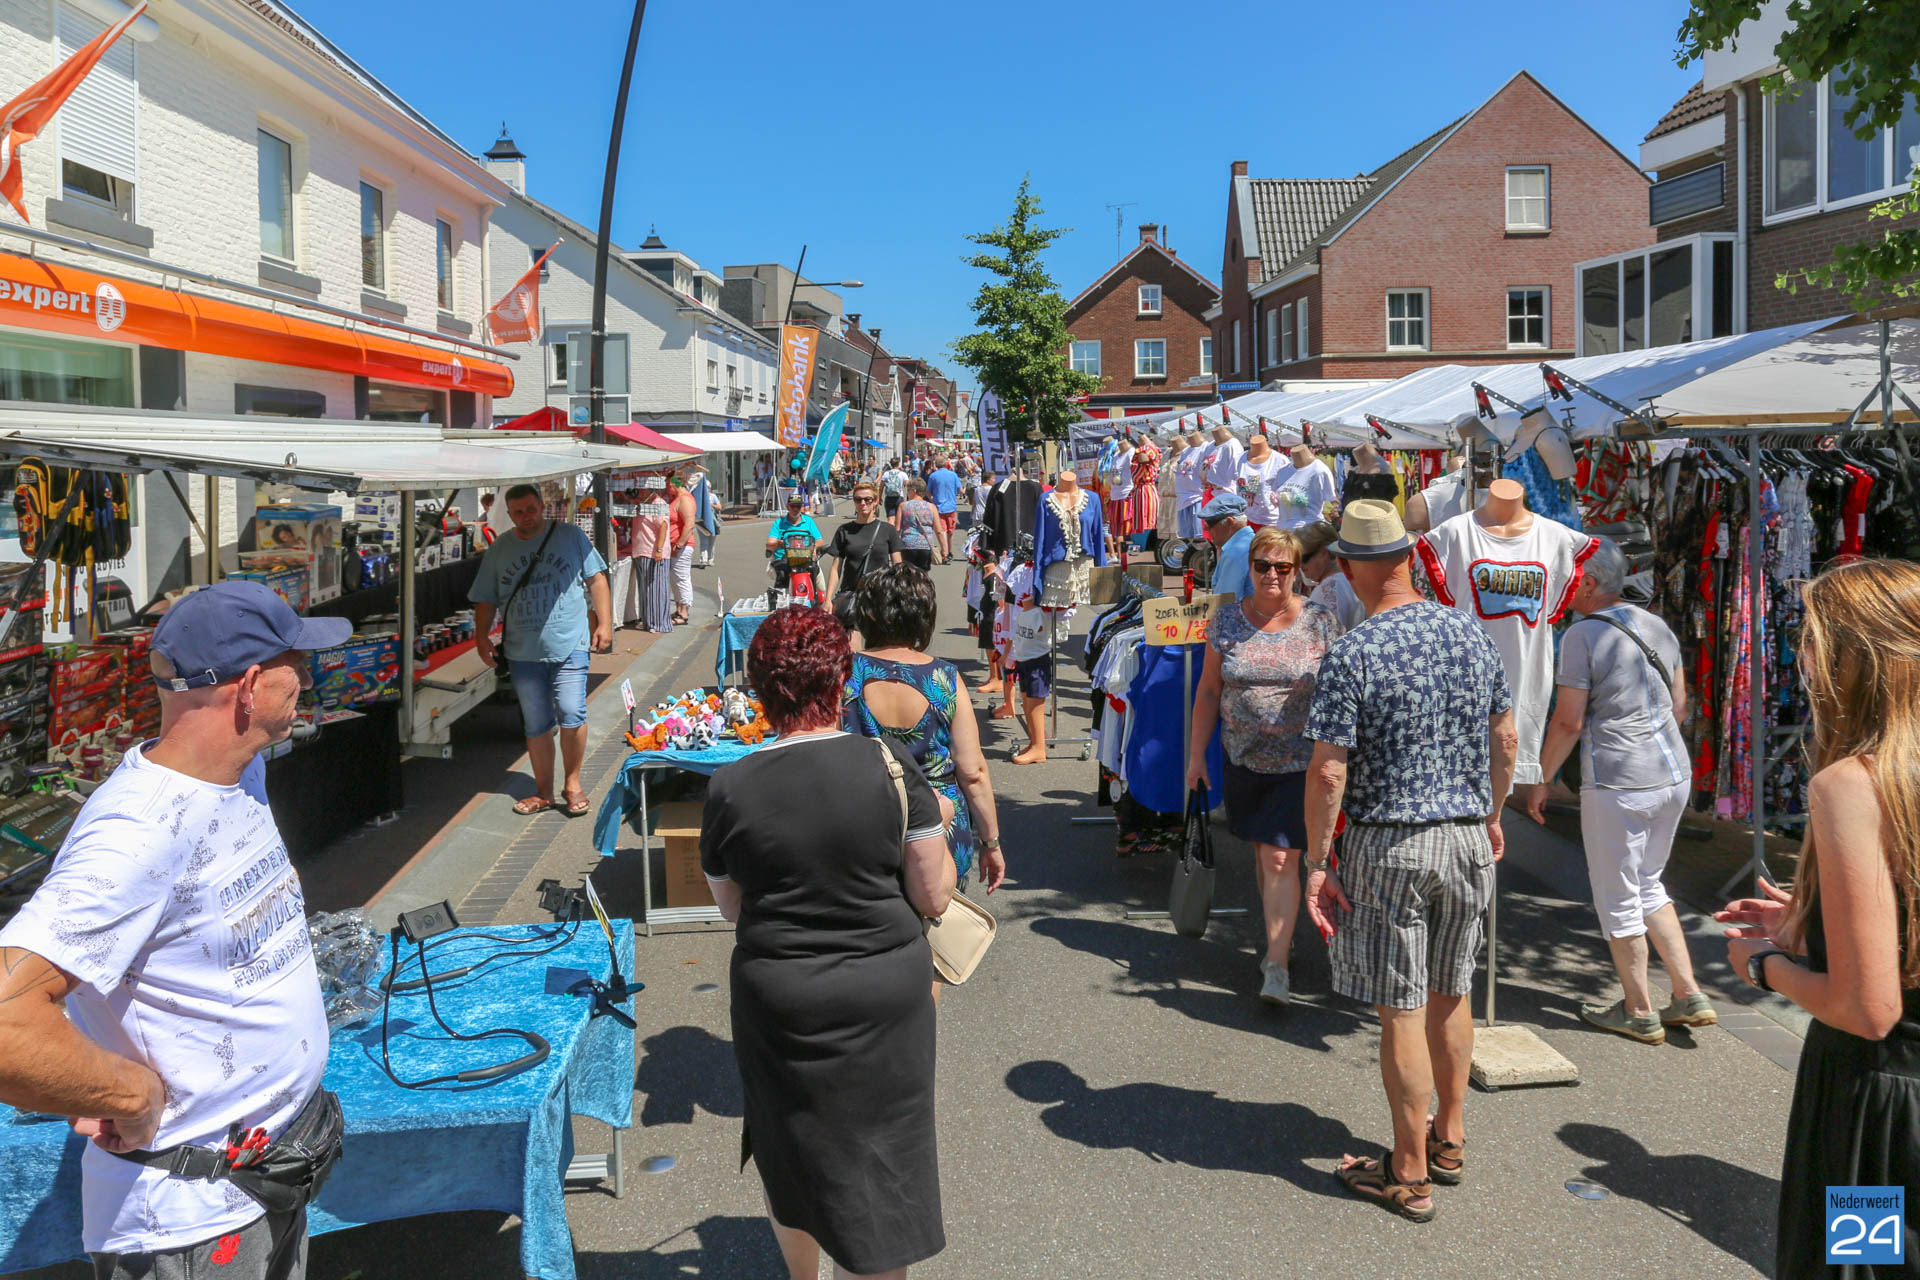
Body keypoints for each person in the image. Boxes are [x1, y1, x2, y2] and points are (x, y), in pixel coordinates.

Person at [0, 581, 349, 1280]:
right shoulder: (137, 832)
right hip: (193, 1219)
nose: (308, 676)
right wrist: (127, 1093)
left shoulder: (234, 771)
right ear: (248, 687)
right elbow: (7, 1022)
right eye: (295, 661)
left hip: (265, 1171)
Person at [701, 606, 952, 1279]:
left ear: (762, 689)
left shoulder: (730, 786)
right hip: (884, 996)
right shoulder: (889, 765)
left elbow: (731, 906)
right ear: (839, 681)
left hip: (780, 997)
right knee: (883, 1157)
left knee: (791, 1148)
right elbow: (933, 894)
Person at [1301, 499, 1518, 1224]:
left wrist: (1317, 860)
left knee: (1399, 1007)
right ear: (1408, 558)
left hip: (1390, 841)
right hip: (1463, 836)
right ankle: (1448, 1139)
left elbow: (1329, 773)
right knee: (1451, 992)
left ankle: (1410, 1171)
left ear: (1351, 567)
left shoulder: (1354, 651)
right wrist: (1489, 812)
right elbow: (1507, 737)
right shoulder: (1468, 633)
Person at [1713, 559, 1920, 1276]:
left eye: (1812, 641)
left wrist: (1765, 967)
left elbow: (1867, 1009)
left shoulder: (1853, 785)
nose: (1802, 659)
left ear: (1849, 660)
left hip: (1876, 1117)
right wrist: (1815, 923)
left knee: (1854, 1271)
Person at [1527, 537, 1712, 1043]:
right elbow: (1678, 708)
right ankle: (1687, 991)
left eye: (1568, 579)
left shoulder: (1582, 635)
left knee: (1618, 896)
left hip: (1619, 777)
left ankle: (1637, 1008)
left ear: (1586, 583)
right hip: (1672, 771)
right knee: (1650, 883)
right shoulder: (1656, 624)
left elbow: (1567, 722)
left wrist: (1541, 779)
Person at [1187, 527, 1343, 1006]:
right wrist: (1197, 756)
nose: (1272, 575)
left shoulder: (1321, 621)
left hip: (1303, 763)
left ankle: (1275, 965)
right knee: (1265, 854)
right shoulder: (1228, 620)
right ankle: (1280, 934)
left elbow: (1340, 693)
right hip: (1244, 760)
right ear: (1250, 567)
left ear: (1298, 571)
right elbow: (1210, 690)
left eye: (1283, 567)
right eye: (1263, 566)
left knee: (1281, 857)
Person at [847, 563, 1007, 910]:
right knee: (939, 919)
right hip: (938, 821)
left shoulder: (847, 675)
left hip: (864, 821)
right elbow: (973, 771)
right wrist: (990, 842)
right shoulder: (945, 679)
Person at [472, 483, 614, 817]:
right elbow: (486, 598)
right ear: (508, 514)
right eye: (518, 512)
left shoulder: (570, 536)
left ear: (541, 506)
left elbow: (597, 580)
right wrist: (481, 637)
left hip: (570, 643)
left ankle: (573, 784)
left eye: (530, 509)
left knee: (571, 712)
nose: (525, 517)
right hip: (522, 651)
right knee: (536, 724)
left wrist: (605, 623)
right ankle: (544, 791)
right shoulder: (500, 549)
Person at [822, 481, 904, 615]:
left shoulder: (887, 530)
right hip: (851, 596)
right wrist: (828, 599)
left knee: (878, 636)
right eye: (858, 500)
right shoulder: (844, 530)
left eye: (867, 499)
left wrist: (900, 595)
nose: (863, 503)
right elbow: (836, 568)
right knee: (852, 635)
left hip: (880, 596)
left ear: (876, 501)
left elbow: (898, 567)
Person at [1298, 519, 1366, 632]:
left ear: (1324, 553)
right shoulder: (1349, 579)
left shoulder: (1327, 590)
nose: (1300, 566)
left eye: (1304, 559)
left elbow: (1323, 639)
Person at [1199, 491, 1255, 602]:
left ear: (1229, 522)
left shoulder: (1234, 554)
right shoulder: (1254, 541)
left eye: (1210, 523)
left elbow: (1224, 604)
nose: (1206, 529)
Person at [767, 493, 824, 599]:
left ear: (802, 506)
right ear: (787, 506)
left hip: (805, 557)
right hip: (784, 558)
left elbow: (820, 541)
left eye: (798, 506)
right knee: (782, 573)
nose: (795, 509)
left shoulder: (809, 521)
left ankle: (816, 598)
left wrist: (814, 548)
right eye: (793, 506)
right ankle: (780, 602)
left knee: (814, 569)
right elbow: (770, 543)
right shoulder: (778, 523)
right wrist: (778, 543)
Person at [667, 472, 698, 626]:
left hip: (682, 546)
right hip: (675, 546)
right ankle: (679, 608)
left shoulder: (685, 499)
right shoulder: (677, 499)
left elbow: (689, 524)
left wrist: (679, 544)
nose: (668, 489)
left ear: (675, 484)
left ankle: (684, 611)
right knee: (675, 579)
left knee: (682, 577)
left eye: (669, 485)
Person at [896, 478, 942, 573]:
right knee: (923, 575)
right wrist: (944, 549)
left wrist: (894, 547)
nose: (907, 493)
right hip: (925, 545)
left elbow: (897, 529)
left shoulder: (903, 506)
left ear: (914, 490)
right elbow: (938, 530)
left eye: (908, 490)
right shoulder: (932, 507)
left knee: (907, 575)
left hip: (907, 545)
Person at [925, 455, 960, 562]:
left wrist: (931, 500)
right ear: (946, 464)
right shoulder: (953, 475)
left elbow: (928, 491)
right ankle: (949, 552)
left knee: (942, 531)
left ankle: (944, 553)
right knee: (950, 531)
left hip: (938, 506)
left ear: (936, 465)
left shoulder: (933, 476)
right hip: (951, 506)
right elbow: (959, 489)